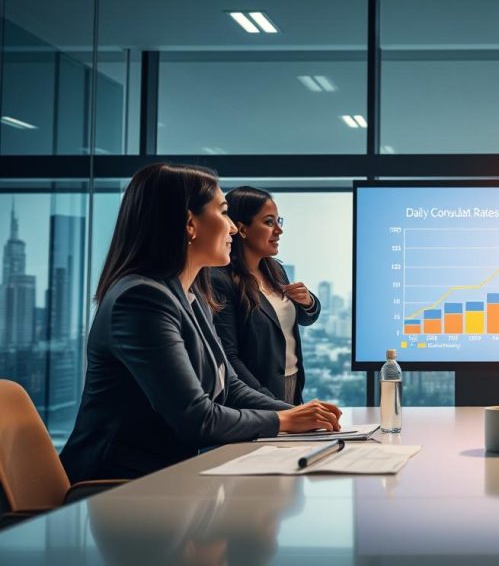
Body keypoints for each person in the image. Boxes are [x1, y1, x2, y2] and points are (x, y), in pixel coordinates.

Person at [60, 164, 341, 483]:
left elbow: (230, 387)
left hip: (170, 476)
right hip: (118, 487)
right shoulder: (140, 299)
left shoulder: (190, 292)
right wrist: (285, 420)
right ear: (190, 224)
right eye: (223, 213)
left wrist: (293, 414)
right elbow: (196, 418)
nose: (232, 229)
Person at [211, 187, 318, 405]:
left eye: (279, 221)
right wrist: (269, 402)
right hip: (255, 397)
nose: (279, 230)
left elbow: (305, 318)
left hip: (291, 385)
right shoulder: (220, 280)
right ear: (241, 229)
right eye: (269, 222)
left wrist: (308, 301)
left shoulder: (275, 270)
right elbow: (229, 357)